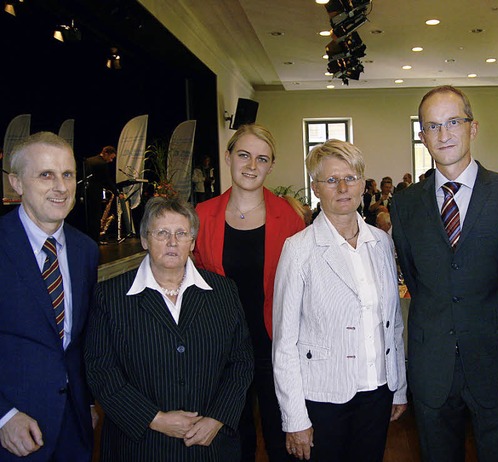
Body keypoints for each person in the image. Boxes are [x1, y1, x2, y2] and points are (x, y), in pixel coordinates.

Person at [391, 85, 498, 462]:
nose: (444, 134)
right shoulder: (404, 205)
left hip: (494, 358)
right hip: (432, 362)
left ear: (473, 127)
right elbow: (416, 277)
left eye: (453, 121)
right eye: (433, 126)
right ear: (422, 137)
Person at [85, 196, 254, 461]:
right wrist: (154, 419)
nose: (172, 242)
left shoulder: (223, 291)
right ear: (144, 240)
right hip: (139, 445)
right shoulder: (110, 296)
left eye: (181, 233)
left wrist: (217, 418)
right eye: (162, 233)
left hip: (210, 445)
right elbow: (101, 370)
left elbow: (241, 362)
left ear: (193, 242)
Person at [272, 139, 407, 462]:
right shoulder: (298, 249)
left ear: (363, 183)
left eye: (351, 177)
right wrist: (295, 418)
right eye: (331, 180)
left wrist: (398, 386)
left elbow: (393, 323)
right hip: (323, 397)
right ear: (317, 188)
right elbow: (284, 342)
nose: (343, 187)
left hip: (376, 391)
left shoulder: (381, 242)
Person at [193, 124, 305, 462]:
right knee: (232, 441)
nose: (251, 165)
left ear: (271, 165)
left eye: (261, 158)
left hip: (275, 347)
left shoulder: (289, 218)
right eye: (243, 155)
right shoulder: (201, 216)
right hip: (222, 350)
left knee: (281, 439)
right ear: (228, 157)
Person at [0, 132, 99, 460]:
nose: (61, 187)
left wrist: (87, 401)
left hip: (75, 427)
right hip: (15, 433)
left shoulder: (85, 250)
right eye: (46, 175)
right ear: (16, 183)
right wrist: (4, 415)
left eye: (67, 174)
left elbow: (78, 340)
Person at [84, 145, 118, 243]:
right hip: (95, 194)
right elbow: (106, 180)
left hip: (86, 194)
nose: (111, 161)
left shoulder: (89, 160)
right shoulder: (101, 164)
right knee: (96, 218)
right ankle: (95, 240)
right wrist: (116, 192)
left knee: (88, 218)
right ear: (106, 154)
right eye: (111, 158)